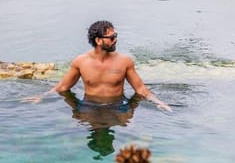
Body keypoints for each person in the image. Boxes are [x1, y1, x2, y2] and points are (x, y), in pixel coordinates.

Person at [26, 20, 172, 112]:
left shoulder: (125, 61)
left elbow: (140, 89)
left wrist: (159, 102)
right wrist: (42, 97)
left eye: (116, 36)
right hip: (88, 107)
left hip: (119, 107)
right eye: (112, 37)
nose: (116, 40)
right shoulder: (80, 62)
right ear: (98, 40)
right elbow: (63, 87)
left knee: (128, 129)